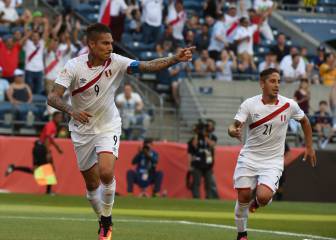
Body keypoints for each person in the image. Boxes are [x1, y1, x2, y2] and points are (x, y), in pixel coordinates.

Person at [47, 23, 194, 240]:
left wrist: (174, 59)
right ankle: (102, 217)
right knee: (91, 186)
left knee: (106, 172)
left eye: (111, 42)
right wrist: (71, 110)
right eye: (105, 43)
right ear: (91, 44)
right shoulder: (74, 66)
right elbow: (53, 97)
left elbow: (146, 66)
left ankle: (107, 220)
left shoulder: (116, 61)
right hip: (81, 130)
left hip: (108, 125)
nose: (110, 47)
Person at [227, 68, 316, 240]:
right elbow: (234, 125)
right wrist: (233, 131)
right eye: (272, 81)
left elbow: (305, 121)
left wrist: (309, 146)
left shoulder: (289, 105)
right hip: (250, 157)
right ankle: (241, 234)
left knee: (263, 196)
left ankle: (258, 203)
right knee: (243, 195)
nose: (276, 85)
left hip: (272, 161)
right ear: (262, 84)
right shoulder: (250, 104)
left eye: (278, 81)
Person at [4, 111, 64, 194]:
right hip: (41, 149)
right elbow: (47, 138)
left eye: (61, 117)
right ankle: (48, 191)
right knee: (50, 169)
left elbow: (50, 139)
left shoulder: (53, 126)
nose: (60, 119)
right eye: (58, 117)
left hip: (38, 148)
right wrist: (48, 152)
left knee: (35, 171)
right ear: (54, 118)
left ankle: (14, 168)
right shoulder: (51, 125)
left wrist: (57, 148)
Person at [187, 119, 218, 199]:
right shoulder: (197, 137)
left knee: (208, 183)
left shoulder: (212, 137)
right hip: (197, 163)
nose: (207, 128)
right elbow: (194, 145)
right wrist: (197, 134)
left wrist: (205, 136)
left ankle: (209, 197)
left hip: (208, 164)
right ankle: (196, 197)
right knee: (196, 182)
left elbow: (212, 145)